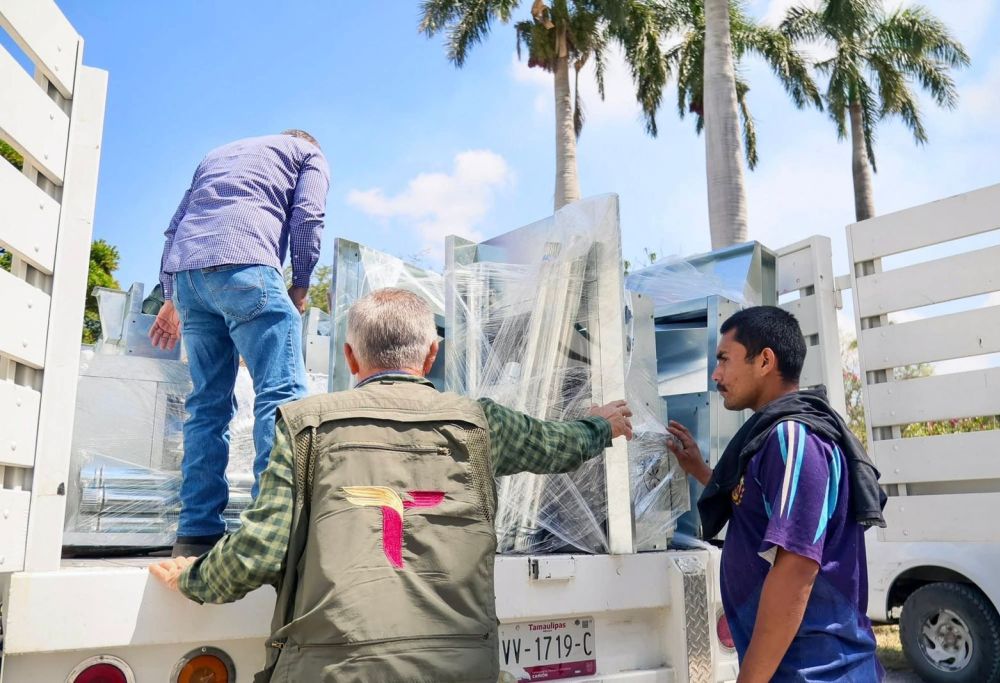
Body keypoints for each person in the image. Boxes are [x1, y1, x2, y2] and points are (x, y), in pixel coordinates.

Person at [150, 288, 634, 682]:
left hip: (334, 669)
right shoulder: (481, 423)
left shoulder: (305, 426)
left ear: (349, 356)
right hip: (459, 668)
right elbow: (556, 444)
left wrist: (192, 577)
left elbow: (257, 553)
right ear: (431, 354)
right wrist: (600, 427)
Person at [667, 306, 885, 682]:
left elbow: (796, 567)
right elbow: (756, 507)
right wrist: (702, 471)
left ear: (765, 360)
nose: (716, 375)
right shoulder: (773, 439)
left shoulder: (793, 438)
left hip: (819, 672)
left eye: (724, 359)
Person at [148, 130, 330, 557]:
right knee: (281, 395)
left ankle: (195, 533)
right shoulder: (310, 154)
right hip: (247, 265)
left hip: (189, 277)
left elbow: (174, 226)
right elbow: (308, 216)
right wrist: (300, 284)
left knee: (206, 405)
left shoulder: (216, 153)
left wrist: (171, 295)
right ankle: (275, 529)